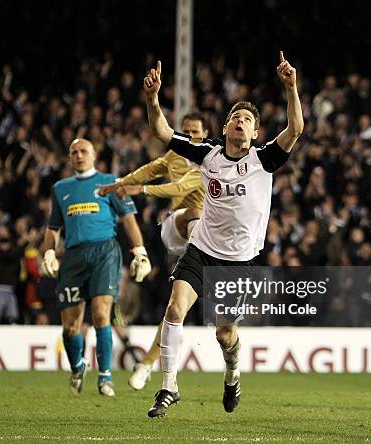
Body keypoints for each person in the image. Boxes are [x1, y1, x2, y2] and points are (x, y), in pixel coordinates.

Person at [142, 53, 303, 417]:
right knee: (174, 307)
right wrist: (153, 99)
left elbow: (295, 130)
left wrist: (291, 88)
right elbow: (163, 133)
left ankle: (232, 373)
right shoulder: (208, 154)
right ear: (226, 127)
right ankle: (168, 386)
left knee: (224, 335)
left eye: (247, 120)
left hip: (239, 261)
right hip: (202, 249)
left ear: (255, 132)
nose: (239, 123)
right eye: (234, 118)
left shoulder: (265, 160)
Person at [99, 112, 208, 390]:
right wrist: (123, 183)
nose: (189, 136)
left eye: (195, 132)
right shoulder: (173, 157)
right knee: (195, 211)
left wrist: (140, 189)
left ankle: (145, 365)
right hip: (177, 227)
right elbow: (152, 171)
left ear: (205, 134)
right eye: (184, 131)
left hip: (206, 234)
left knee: (176, 309)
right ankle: (200, 256)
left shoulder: (211, 160)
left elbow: (181, 185)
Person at [40, 138, 152, 397]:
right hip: (73, 257)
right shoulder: (61, 188)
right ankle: (78, 367)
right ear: (70, 158)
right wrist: (48, 251)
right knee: (71, 326)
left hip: (105, 252)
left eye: (83, 151)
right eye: (74, 152)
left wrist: (140, 252)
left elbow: (128, 220)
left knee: (102, 314)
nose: (79, 156)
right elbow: (53, 228)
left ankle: (105, 378)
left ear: (94, 155)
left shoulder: (111, 182)